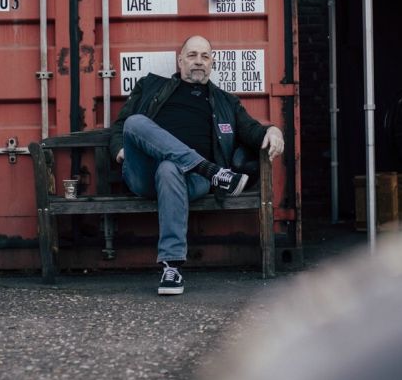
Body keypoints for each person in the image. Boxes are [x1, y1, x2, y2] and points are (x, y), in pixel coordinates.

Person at [109, 34, 284, 296]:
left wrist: (273, 131)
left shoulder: (226, 102)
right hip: (144, 173)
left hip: (192, 181)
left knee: (169, 167)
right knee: (136, 123)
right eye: (192, 55)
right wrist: (120, 150)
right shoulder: (150, 86)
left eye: (205, 56)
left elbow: (251, 130)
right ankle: (212, 171)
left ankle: (172, 267)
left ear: (212, 62)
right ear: (180, 60)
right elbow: (122, 126)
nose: (198, 61)